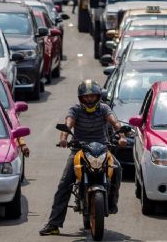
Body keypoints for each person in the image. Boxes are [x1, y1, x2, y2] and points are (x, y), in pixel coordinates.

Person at [40, 80, 127, 236]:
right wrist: (64, 138)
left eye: (92, 96)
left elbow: (115, 123)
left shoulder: (104, 108)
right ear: (81, 98)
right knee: (64, 183)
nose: (89, 99)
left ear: (98, 96)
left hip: (102, 148)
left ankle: (112, 202)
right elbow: (68, 124)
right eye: (86, 97)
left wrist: (121, 136)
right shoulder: (75, 109)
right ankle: (53, 224)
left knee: (118, 169)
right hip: (79, 150)